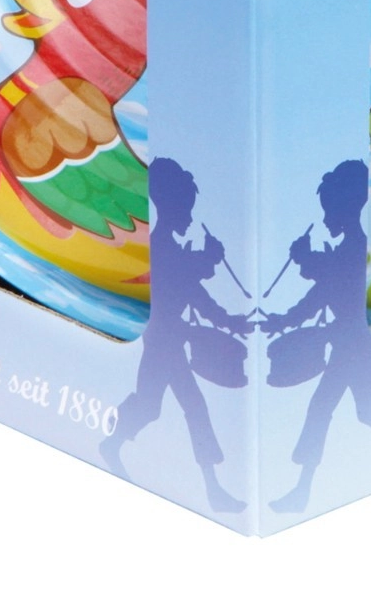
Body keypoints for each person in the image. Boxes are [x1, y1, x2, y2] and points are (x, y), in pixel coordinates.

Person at [266, 160, 371, 513]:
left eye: (329, 210)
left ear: (348, 206)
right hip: (346, 344)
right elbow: (321, 292)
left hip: (353, 345)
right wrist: (284, 318)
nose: (326, 218)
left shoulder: (355, 244)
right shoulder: (346, 244)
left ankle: (304, 489)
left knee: (334, 408)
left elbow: (330, 284)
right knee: (356, 407)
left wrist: (305, 261)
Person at [99, 157, 248, 513]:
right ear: (168, 205)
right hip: (163, 342)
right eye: (185, 209)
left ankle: (112, 442)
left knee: (163, 406)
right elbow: (187, 284)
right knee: (179, 407)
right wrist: (209, 261)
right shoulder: (162, 244)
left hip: (169, 342)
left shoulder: (172, 245)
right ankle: (110, 441)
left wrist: (228, 319)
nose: (189, 217)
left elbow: (195, 292)